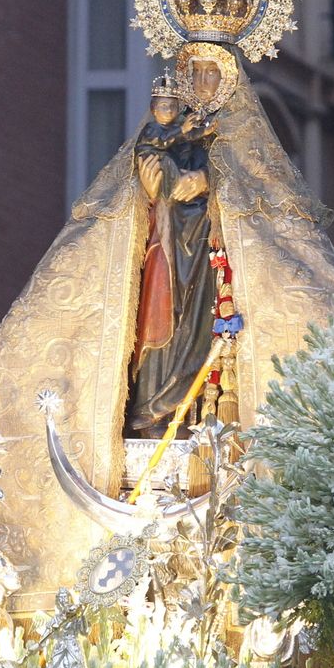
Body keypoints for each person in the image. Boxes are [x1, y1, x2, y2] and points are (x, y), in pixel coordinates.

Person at [125, 75, 218, 438]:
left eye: (213, 72)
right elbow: (151, 176)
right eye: (196, 72)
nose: (204, 81)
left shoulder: (216, 131)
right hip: (163, 237)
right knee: (156, 313)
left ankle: (183, 406)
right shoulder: (156, 135)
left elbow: (246, 174)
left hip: (199, 241)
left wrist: (206, 180)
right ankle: (150, 409)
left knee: (195, 320)